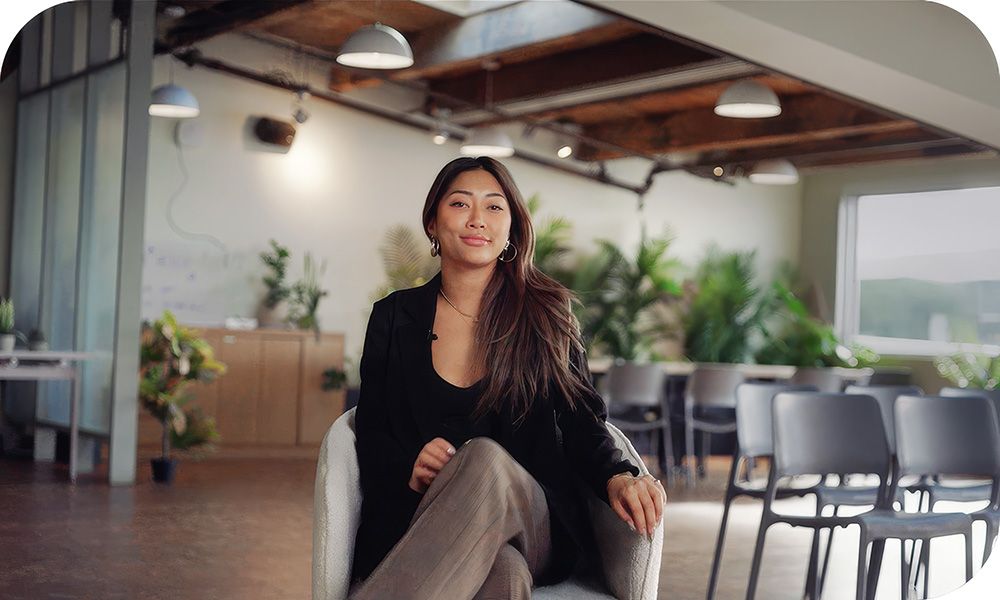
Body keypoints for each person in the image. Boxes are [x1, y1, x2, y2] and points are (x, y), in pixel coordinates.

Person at [349, 156, 665, 600]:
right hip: (420, 516)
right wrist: (411, 466)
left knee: (483, 459)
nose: (478, 219)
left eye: (494, 207)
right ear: (433, 223)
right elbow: (372, 428)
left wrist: (618, 475)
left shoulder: (547, 315)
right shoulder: (393, 317)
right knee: (504, 577)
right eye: (460, 204)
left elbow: (582, 422)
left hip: (532, 520)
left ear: (512, 228)